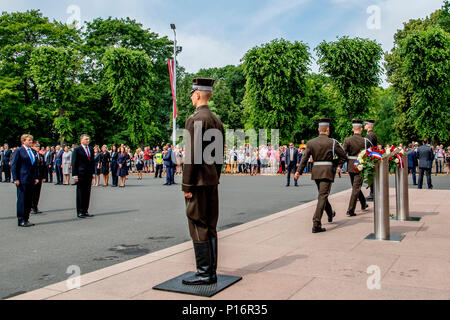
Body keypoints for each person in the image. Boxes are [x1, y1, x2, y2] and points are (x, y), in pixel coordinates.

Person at [182, 78, 225, 285]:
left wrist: (187, 185)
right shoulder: (216, 120)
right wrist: (215, 176)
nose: (191, 97)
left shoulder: (195, 119)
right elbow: (218, 156)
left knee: (198, 224)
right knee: (210, 224)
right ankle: (212, 271)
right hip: (211, 181)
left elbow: (191, 155)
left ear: (197, 94)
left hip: (197, 183)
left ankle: (204, 272)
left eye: (192, 93)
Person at [295, 118, 347, 233]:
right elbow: (344, 156)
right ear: (327, 129)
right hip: (327, 171)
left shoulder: (311, 142)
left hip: (316, 172)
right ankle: (316, 223)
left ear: (319, 129)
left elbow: (304, 158)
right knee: (323, 196)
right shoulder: (333, 142)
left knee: (322, 195)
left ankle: (330, 213)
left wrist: (298, 171)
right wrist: (336, 164)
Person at [11, 134, 39, 227]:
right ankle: (21, 219)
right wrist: (15, 178)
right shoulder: (19, 151)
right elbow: (14, 165)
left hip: (31, 179)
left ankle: (26, 219)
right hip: (22, 179)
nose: (31, 142)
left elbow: (35, 166)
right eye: (29, 140)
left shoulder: (32, 151)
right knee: (22, 200)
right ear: (23, 141)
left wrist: (36, 177)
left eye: (31, 140)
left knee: (28, 200)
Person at [342, 120, 368, 217]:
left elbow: (343, 153)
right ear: (361, 129)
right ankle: (351, 210)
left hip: (350, 165)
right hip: (360, 165)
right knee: (356, 187)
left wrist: (340, 165)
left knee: (355, 186)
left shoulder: (347, 140)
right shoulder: (365, 141)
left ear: (353, 129)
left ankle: (362, 203)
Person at [72, 134, 95, 218]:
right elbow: (74, 162)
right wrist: (74, 175)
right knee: (80, 192)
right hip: (80, 173)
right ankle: (80, 211)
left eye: (88, 139)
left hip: (88, 173)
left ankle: (85, 210)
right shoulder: (77, 149)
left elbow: (92, 162)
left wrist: (93, 172)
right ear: (81, 140)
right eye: (86, 139)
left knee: (87, 192)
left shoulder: (90, 149)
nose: (88, 141)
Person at [364, 120, 377, 202]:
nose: (364, 125)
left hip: (370, 156)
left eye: (365, 124)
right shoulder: (373, 134)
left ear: (369, 126)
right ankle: (373, 192)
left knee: (370, 176)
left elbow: (367, 147)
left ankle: (372, 193)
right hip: (373, 155)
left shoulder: (369, 135)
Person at [31, 142, 46, 214]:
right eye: (36, 146)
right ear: (32, 147)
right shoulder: (31, 154)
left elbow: (43, 166)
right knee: (32, 192)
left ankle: (35, 206)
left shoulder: (41, 155)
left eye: (38, 146)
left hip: (39, 176)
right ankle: (31, 207)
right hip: (33, 176)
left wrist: (44, 176)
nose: (38, 147)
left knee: (37, 192)